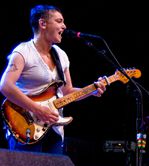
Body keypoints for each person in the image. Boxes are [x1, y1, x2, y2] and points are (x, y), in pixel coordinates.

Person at [0, 4, 106, 154]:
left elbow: (67, 91)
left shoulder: (61, 56)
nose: (64, 26)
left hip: (54, 129)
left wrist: (92, 91)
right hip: (25, 125)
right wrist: (36, 108)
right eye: (59, 21)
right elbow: (5, 86)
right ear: (43, 24)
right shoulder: (23, 52)